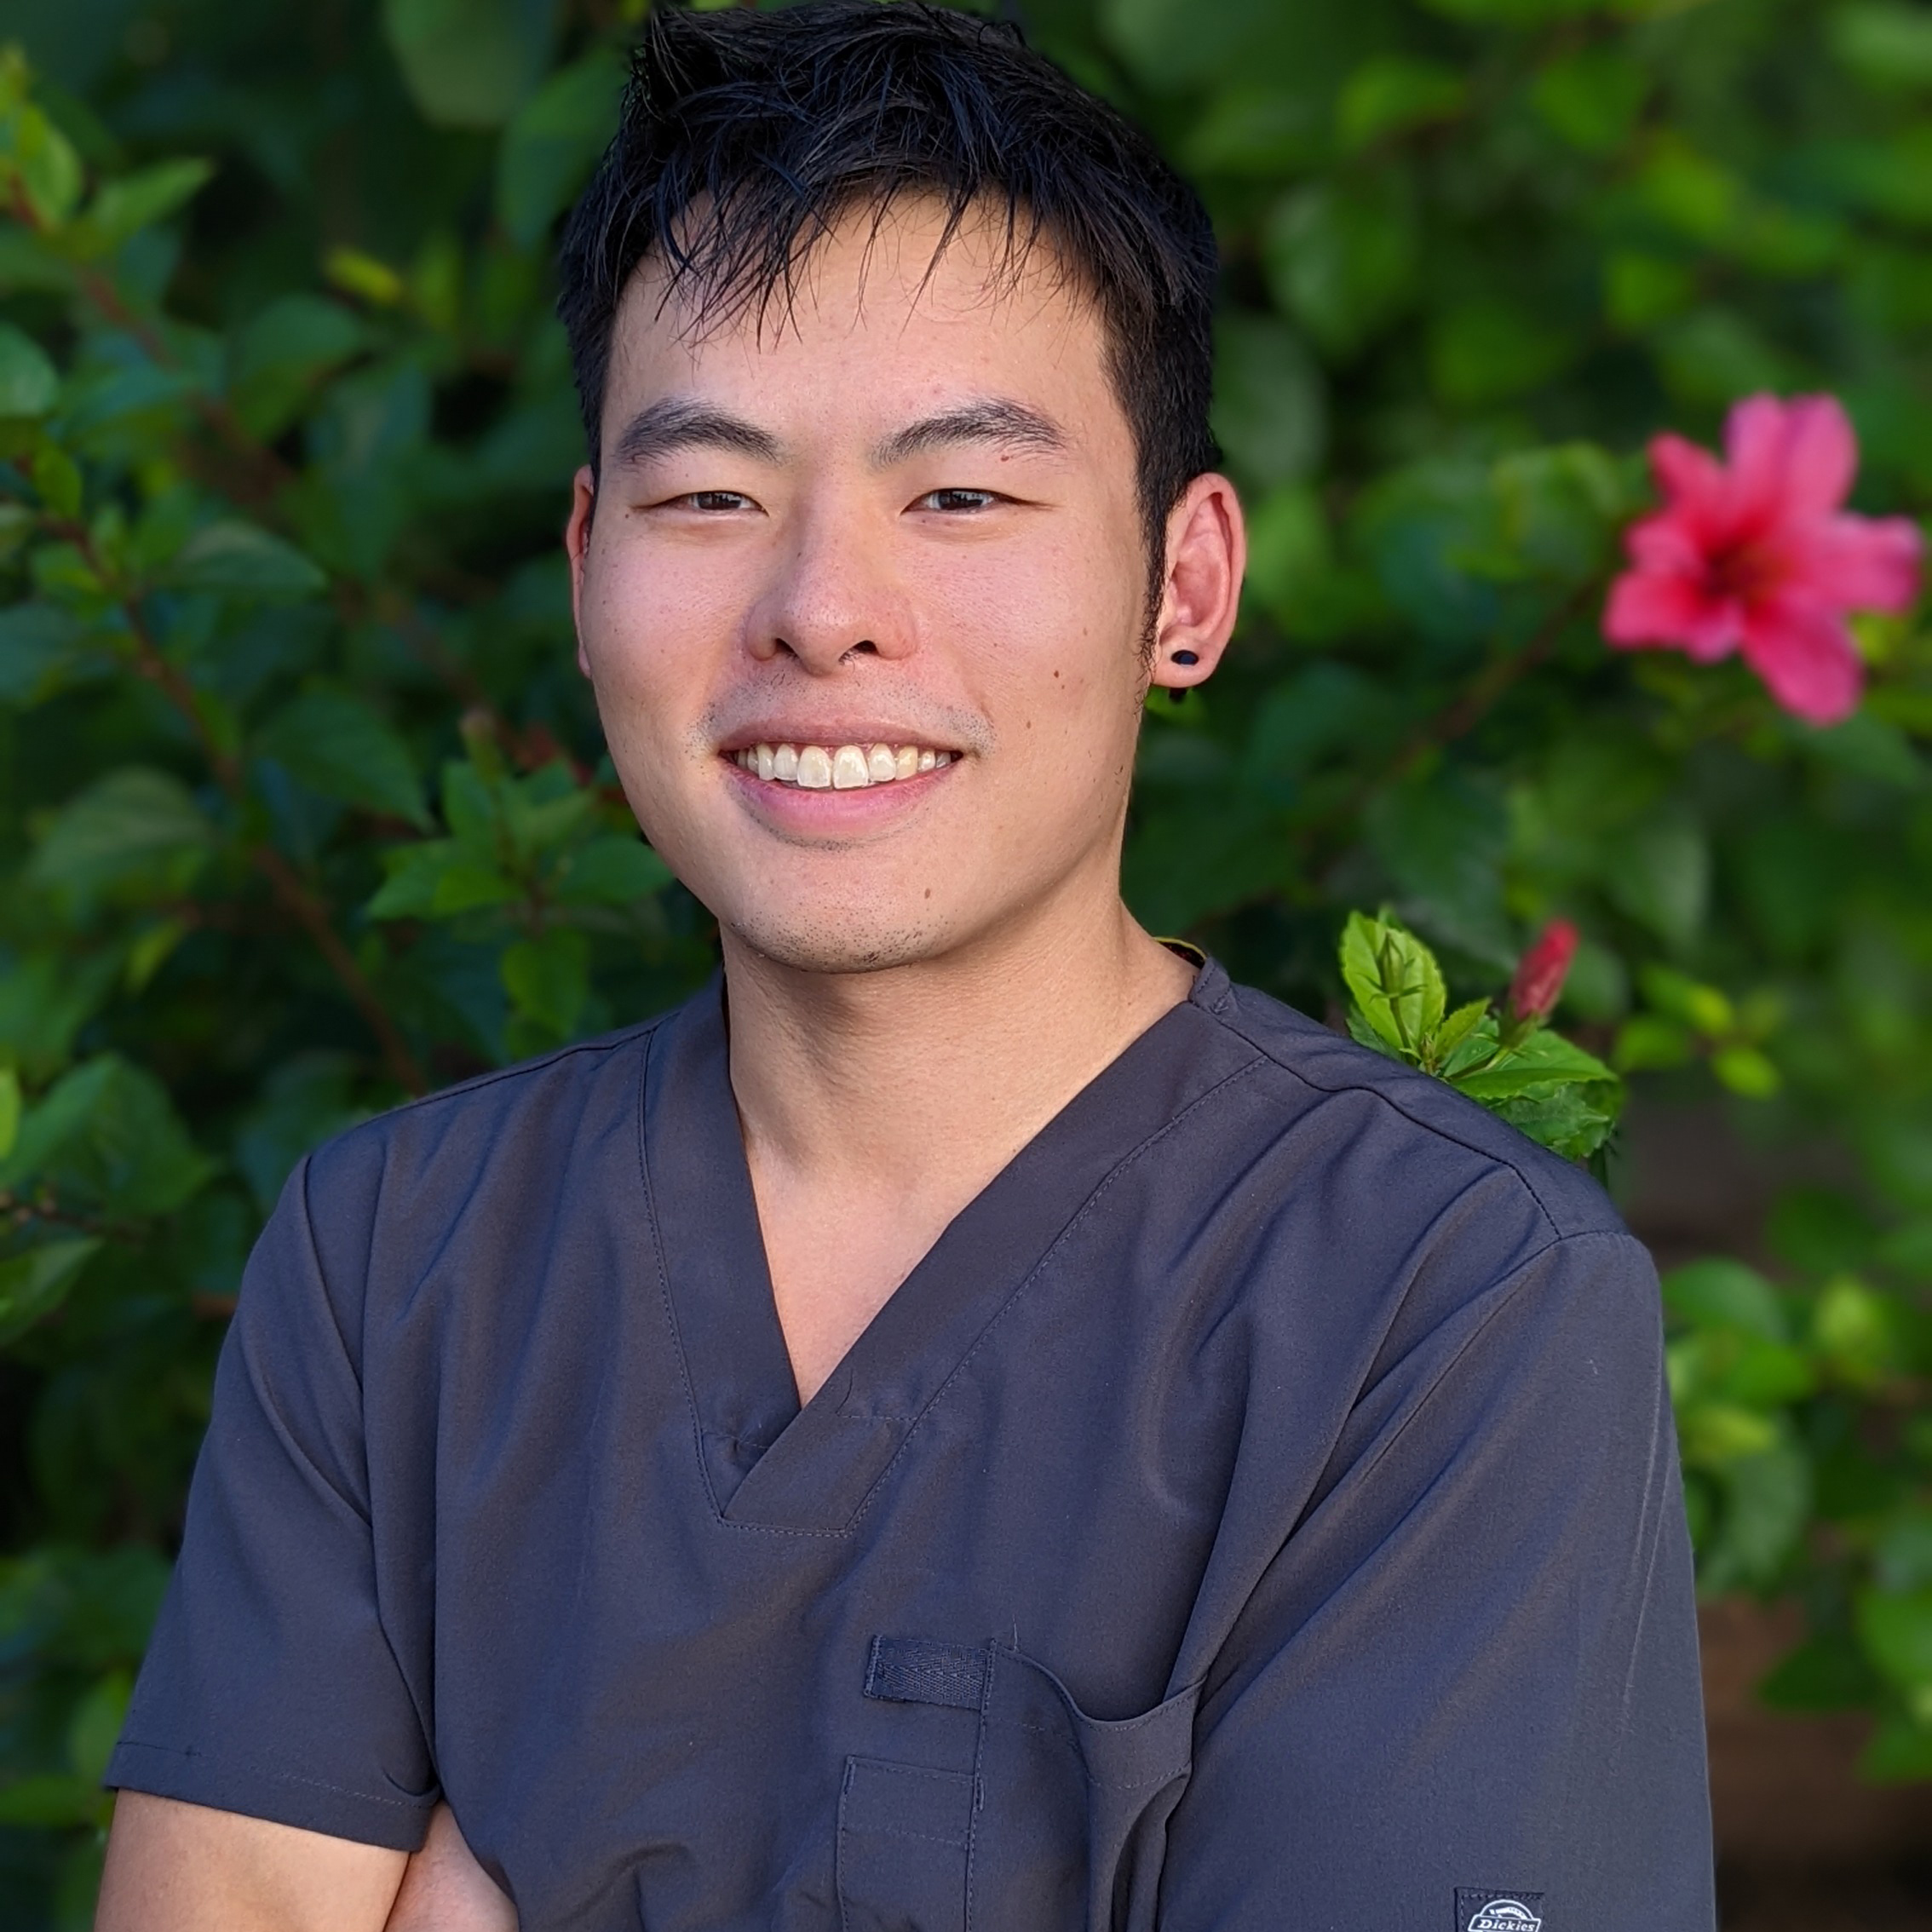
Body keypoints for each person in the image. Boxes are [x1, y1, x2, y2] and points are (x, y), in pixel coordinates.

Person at [95, 5, 1715, 1929]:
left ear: (1182, 587)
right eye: (712, 497)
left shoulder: (1438, 1310)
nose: (823, 613)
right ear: (586, 564)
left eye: (960, 493)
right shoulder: (398, 1264)